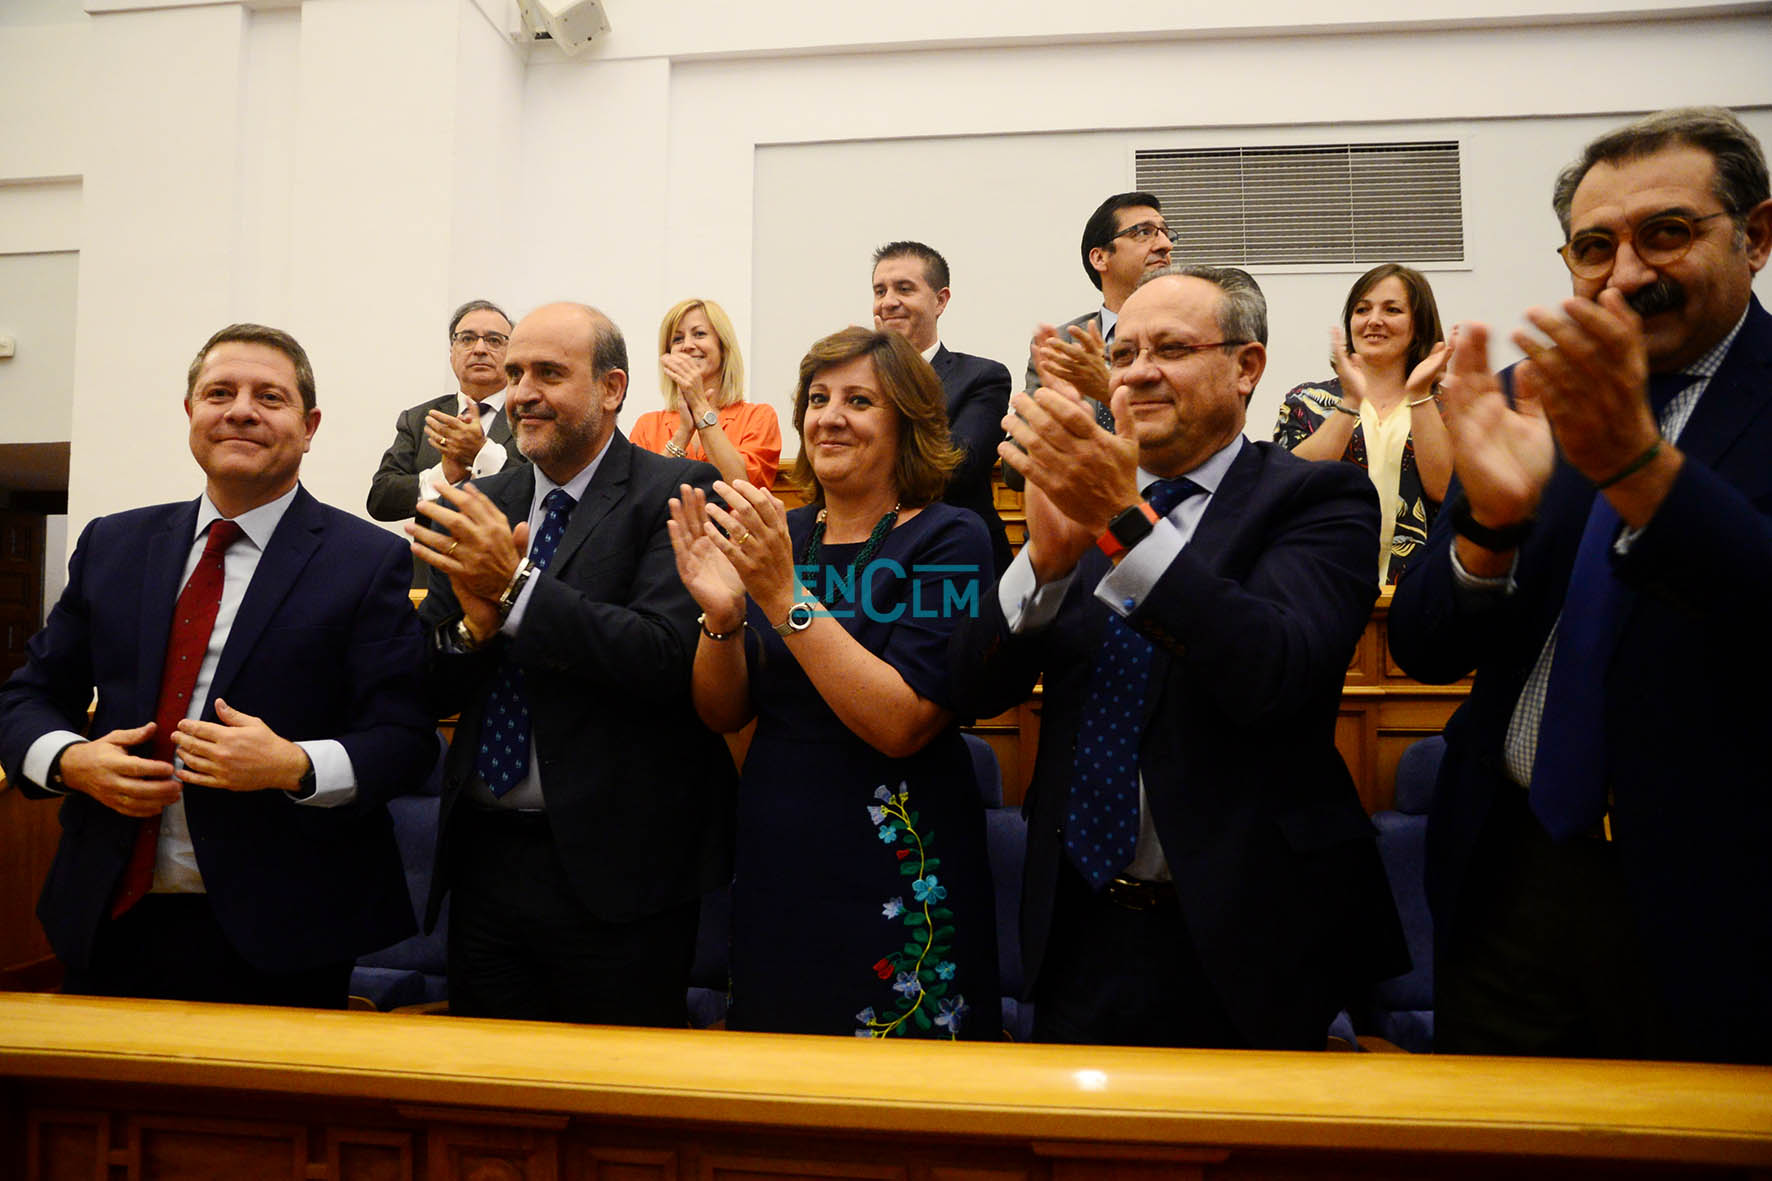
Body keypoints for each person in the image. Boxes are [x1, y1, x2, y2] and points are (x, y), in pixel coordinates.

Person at [1387, 107, 1772, 1064]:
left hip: (1724, 899)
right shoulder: (1524, 397)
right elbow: (1425, 644)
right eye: (1595, 247)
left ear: (1757, 236)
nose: (1628, 273)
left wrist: (1641, 472)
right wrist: (1489, 528)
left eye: (1668, 233)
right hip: (1510, 879)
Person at [952, 265, 1406, 1049]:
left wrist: (1123, 524)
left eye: (1170, 348)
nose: (1139, 372)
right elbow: (974, 688)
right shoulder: (1088, 502)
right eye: (1122, 354)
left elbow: (1276, 671)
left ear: (1246, 367)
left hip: (1251, 933)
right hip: (1079, 927)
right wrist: (1046, 566)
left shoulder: (1316, 499)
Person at [0, 323, 435, 1008]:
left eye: (269, 396)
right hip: (108, 915)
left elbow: (404, 740)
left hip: (287, 932)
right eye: (219, 392)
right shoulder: (113, 543)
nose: (240, 410)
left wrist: (293, 764)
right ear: (191, 414)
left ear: (309, 424)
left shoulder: (367, 561)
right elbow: (27, 697)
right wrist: (68, 761)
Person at [668, 326, 1000, 1039]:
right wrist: (722, 617)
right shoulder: (780, 534)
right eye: (818, 398)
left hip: (898, 858)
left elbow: (902, 721)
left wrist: (783, 594)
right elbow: (722, 709)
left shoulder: (953, 536)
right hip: (778, 850)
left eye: (859, 400)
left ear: (909, 422)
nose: (830, 416)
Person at [410, 302, 737, 1026]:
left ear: (612, 388)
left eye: (548, 372)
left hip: (623, 873)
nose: (521, 390)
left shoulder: (679, 491)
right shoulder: (474, 505)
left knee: (614, 1113)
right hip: (487, 865)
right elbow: (427, 679)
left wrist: (518, 589)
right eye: (516, 370)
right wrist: (476, 625)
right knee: (488, 1110)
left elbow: (664, 657)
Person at [1273, 265, 1454, 583]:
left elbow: (1446, 490)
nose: (1374, 321)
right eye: (1362, 309)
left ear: (1420, 327)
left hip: (1422, 590)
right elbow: (1288, 486)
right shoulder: (1306, 402)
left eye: (1392, 309)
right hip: (1323, 587)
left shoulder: (1449, 406)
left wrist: (1420, 394)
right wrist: (1350, 404)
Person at [871, 242, 1014, 574]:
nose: (888, 302)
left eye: (904, 289)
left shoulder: (982, 376)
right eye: (880, 291)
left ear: (940, 300)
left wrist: (897, 370)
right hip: (876, 559)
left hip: (958, 559)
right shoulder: (860, 382)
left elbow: (956, 468)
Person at [367, 299, 528, 588]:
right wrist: (443, 477)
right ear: (452, 352)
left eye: (494, 340)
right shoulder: (419, 419)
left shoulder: (531, 415)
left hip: (504, 580)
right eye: (467, 339)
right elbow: (381, 500)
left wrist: (482, 455)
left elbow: (542, 490)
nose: (480, 348)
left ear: (511, 354)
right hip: (427, 583)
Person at [629, 297, 781, 489]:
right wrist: (682, 434)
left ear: (723, 348)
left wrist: (700, 407)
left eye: (699, 334)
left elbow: (744, 490)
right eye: (677, 339)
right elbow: (641, 501)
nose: (687, 345)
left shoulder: (759, 417)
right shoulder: (647, 426)